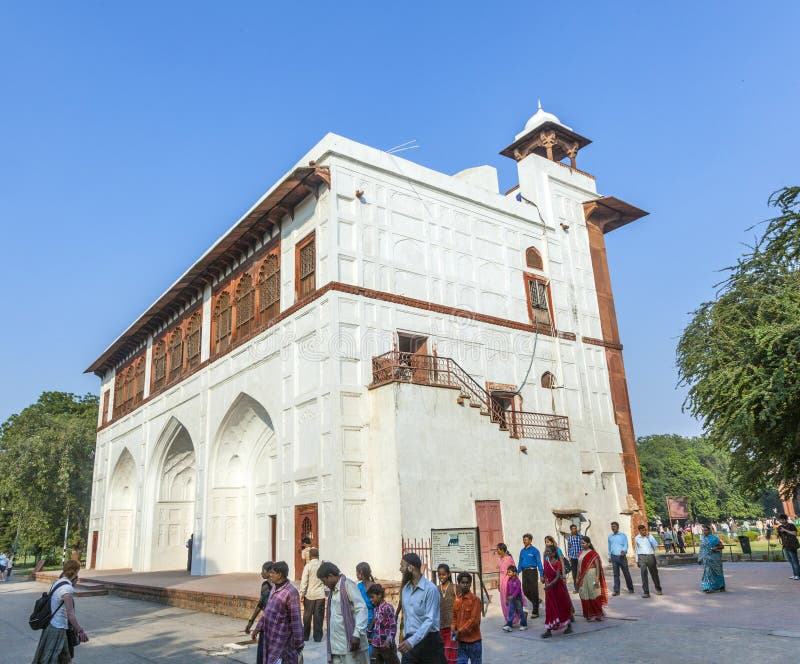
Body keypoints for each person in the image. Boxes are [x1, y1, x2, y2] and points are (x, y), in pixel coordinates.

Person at [32, 559, 90, 663]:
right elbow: (70, 614)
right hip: (57, 627)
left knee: (64, 657)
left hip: (52, 624)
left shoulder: (58, 582)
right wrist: (80, 631)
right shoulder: (67, 589)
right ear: (75, 571)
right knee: (50, 658)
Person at [252, 561, 304, 664]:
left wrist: (299, 643)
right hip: (269, 638)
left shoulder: (291, 592)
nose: (270, 575)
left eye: (272, 573)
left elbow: (296, 620)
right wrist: (257, 628)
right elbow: (267, 611)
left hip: (282, 641)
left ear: (280, 574)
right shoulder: (274, 588)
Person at [317, 561, 369, 664]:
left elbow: (361, 609)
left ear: (330, 576)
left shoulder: (347, 585)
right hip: (337, 647)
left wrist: (357, 634)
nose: (325, 585)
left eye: (324, 582)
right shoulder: (333, 592)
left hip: (351, 644)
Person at [398, 552, 446, 663]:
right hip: (410, 642)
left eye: (402, 566)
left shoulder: (431, 590)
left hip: (429, 642)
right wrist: (405, 638)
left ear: (410, 567)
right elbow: (407, 618)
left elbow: (429, 620)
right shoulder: (406, 589)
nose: (400, 569)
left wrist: (412, 641)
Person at [541, 546, 573, 638]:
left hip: (557, 588)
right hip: (549, 589)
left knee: (561, 606)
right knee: (550, 608)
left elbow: (558, 576)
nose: (546, 552)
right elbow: (545, 574)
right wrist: (543, 578)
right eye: (546, 551)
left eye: (548, 551)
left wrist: (550, 585)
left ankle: (569, 625)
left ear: (553, 553)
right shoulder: (546, 562)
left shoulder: (557, 563)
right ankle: (548, 630)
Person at [246, 561, 273, 663]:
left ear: (269, 572)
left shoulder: (267, 586)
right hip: (274, 625)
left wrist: (251, 622)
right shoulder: (274, 586)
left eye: (263, 571)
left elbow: (260, 605)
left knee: (263, 653)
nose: (261, 573)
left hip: (267, 624)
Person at [451, 572, 482, 664]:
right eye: (462, 583)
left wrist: (459, 631)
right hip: (461, 642)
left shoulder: (475, 600)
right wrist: (453, 628)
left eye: (467, 583)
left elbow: (474, 621)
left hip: (474, 642)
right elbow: (454, 617)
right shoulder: (457, 600)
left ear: (470, 584)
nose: (465, 585)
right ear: (459, 584)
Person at [576, 537, 607, 621]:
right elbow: (578, 567)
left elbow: (597, 566)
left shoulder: (593, 554)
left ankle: (598, 614)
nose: (582, 544)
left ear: (588, 544)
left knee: (594, 593)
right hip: (583, 577)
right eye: (581, 543)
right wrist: (577, 577)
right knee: (584, 593)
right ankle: (588, 614)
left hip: (592, 575)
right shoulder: (580, 554)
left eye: (583, 543)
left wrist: (597, 578)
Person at [368, 584, 400, 664]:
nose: (370, 600)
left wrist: (388, 640)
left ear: (379, 595)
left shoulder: (388, 607)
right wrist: (368, 633)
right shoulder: (376, 609)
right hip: (376, 645)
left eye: (372, 597)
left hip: (387, 646)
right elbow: (376, 625)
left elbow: (393, 626)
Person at [300, 549, 325, 642]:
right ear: (318, 555)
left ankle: (305, 636)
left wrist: (302, 593)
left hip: (309, 595)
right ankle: (318, 637)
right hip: (320, 595)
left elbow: (304, 581)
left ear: (310, 556)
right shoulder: (322, 565)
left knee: (307, 617)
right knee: (319, 617)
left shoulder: (308, 566)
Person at [495, 543, 522, 625]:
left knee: (510, 600)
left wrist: (514, 582)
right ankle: (507, 618)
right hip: (502, 581)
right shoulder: (500, 559)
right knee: (503, 600)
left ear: (502, 550)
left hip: (508, 581)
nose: (497, 551)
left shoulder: (509, 558)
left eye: (498, 549)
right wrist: (498, 581)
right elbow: (498, 570)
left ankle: (513, 619)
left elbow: (514, 570)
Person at [436, 564, 458, 663]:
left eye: (443, 574)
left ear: (448, 574)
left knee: (451, 654)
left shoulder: (455, 588)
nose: (441, 577)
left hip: (452, 626)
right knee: (441, 654)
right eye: (439, 575)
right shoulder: (435, 589)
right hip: (440, 626)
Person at [517, 534, 543, 618]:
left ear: (530, 541)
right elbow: (520, 562)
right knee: (525, 591)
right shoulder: (522, 551)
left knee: (534, 591)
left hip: (533, 572)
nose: (524, 541)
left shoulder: (535, 551)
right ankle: (536, 601)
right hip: (525, 572)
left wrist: (542, 574)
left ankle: (535, 612)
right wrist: (517, 572)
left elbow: (539, 563)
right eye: (523, 539)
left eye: (526, 539)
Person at [634, 524, 662, 598]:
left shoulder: (650, 536)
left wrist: (649, 537)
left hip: (650, 556)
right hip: (641, 557)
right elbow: (636, 549)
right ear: (639, 531)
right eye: (642, 530)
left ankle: (658, 589)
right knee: (644, 574)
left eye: (645, 530)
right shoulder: (637, 538)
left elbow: (656, 545)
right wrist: (637, 560)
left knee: (654, 574)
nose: (644, 532)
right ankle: (646, 592)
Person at [607, 521, 634, 595]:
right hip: (614, 557)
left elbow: (626, 544)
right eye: (612, 526)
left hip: (622, 557)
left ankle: (630, 588)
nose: (613, 528)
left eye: (614, 526)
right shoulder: (610, 536)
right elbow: (609, 547)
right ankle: (616, 590)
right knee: (616, 574)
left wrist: (624, 551)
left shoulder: (623, 535)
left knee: (626, 573)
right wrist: (609, 556)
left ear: (618, 527)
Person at [356, 562, 376, 657]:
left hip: (374, 619)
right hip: (362, 620)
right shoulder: (359, 586)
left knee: (373, 645)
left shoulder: (374, 587)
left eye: (357, 572)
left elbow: (378, 610)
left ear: (361, 573)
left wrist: (370, 627)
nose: (356, 575)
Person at [698, 524, 725, 593]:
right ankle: (708, 587)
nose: (704, 532)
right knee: (707, 573)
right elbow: (701, 549)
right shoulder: (703, 539)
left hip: (715, 559)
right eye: (703, 530)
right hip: (707, 559)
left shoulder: (714, 538)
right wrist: (700, 558)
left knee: (717, 572)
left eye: (706, 530)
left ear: (709, 531)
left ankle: (721, 586)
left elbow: (721, 546)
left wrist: (715, 548)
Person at [501, 565, 527, 632]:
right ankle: (509, 625)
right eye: (508, 572)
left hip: (518, 599)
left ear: (515, 573)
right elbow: (507, 589)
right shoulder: (509, 580)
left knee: (520, 611)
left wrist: (513, 596)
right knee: (511, 612)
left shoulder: (518, 581)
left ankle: (523, 624)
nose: (508, 573)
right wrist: (507, 598)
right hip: (511, 599)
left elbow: (518, 589)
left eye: (509, 572)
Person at [776, 513, 800, 580]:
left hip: (792, 545)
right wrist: (778, 533)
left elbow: (795, 533)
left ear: (786, 519)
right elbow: (779, 536)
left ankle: (798, 575)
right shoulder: (780, 527)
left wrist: (785, 530)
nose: (781, 521)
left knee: (795, 560)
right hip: (785, 545)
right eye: (780, 520)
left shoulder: (791, 525)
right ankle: (795, 574)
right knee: (790, 560)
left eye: (782, 520)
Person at [565, 524, 582, 591]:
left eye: (575, 528)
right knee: (574, 573)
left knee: (581, 572)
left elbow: (583, 547)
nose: (574, 530)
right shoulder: (569, 538)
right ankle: (576, 588)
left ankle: (582, 587)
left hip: (580, 558)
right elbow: (569, 548)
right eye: (573, 529)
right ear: (571, 530)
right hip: (573, 558)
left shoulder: (581, 537)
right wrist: (569, 557)